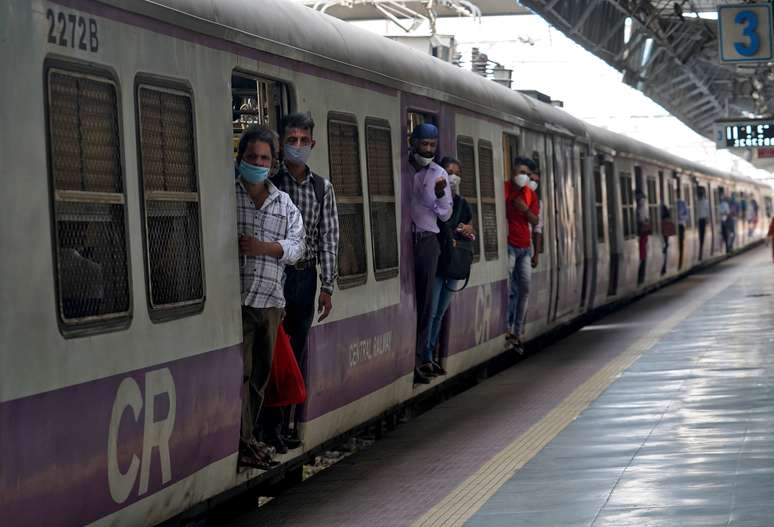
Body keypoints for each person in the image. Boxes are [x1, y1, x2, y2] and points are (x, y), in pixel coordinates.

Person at [235, 125, 305, 469]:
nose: (257, 163)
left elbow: (297, 248)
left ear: (272, 163)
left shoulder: (284, 204)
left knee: (260, 377)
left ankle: (249, 439)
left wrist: (264, 248)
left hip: (271, 302)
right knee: (243, 374)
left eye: (263, 158)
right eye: (251, 157)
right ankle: (245, 442)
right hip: (239, 304)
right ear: (240, 159)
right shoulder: (228, 197)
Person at [269, 112, 339, 451]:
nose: (298, 146)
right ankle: (268, 427)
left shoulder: (321, 188)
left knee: (294, 352)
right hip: (274, 275)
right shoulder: (271, 182)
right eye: (291, 140)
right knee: (272, 351)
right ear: (281, 144)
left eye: (303, 141)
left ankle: (285, 425)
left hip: (304, 277)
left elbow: (328, 237)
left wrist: (327, 286)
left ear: (313, 144)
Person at [408, 123, 453, 384]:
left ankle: (419, 359)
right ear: (413, 142)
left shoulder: (439, 174)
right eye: (423, 144)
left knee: (425, 303)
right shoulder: (403, 168)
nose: (427, 149)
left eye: (432, 145)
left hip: (426, 241)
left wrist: (438, 196)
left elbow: (445, 214)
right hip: (404, 240)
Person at [424, 157, 476, 372]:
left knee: (441, 311)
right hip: (436, 262)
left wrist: (468, 230)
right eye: (449, 171)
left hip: (453, 264)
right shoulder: (432, 199)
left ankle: (431, 352)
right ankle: (425, 355)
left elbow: (471, 230)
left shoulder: (463, 204)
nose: (453, 176)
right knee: (432, 311)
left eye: (456, 172)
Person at [505, 157, 539, 353]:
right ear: (513, 173)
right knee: (510, 289)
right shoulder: (505, 188)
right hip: (509, 244)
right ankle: (508, 328)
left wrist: (524, 209)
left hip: (525, 247)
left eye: (526, 173)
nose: (523, 176)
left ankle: (518, 330)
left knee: (524, 288)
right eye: (520, 172)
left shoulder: (529, 195)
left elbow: (535, 221)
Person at [527, 168, 543, 268]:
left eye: (536, 181)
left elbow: (538, 229)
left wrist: (536, 255)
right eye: (531, 180)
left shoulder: (538, 203)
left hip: (528, 249)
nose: (534, 183)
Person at [636, 190, 650, 283]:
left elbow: (644, 221)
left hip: (643, 234)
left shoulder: (642, 209)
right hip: (641, 234)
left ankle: (641, 274)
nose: (641, 201)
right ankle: (640, 274)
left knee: (642, 255)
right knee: (641, 255)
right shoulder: (640, 209)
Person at [696, 188, 709, 260]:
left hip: (702, 220)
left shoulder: (704, 202)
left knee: (702, 236)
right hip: (700, 220)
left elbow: (707, 211)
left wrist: (707, 219)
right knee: (701, 236)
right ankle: (700, 252)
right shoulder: (697, 201)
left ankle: (701, 252)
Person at [676, 194, 688, 269]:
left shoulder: (682, 203)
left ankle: (680, 261)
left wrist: (681, 217)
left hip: (680, 225)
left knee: (681, 243)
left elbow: (686, 215)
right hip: (675, 225)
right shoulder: (675, 203)